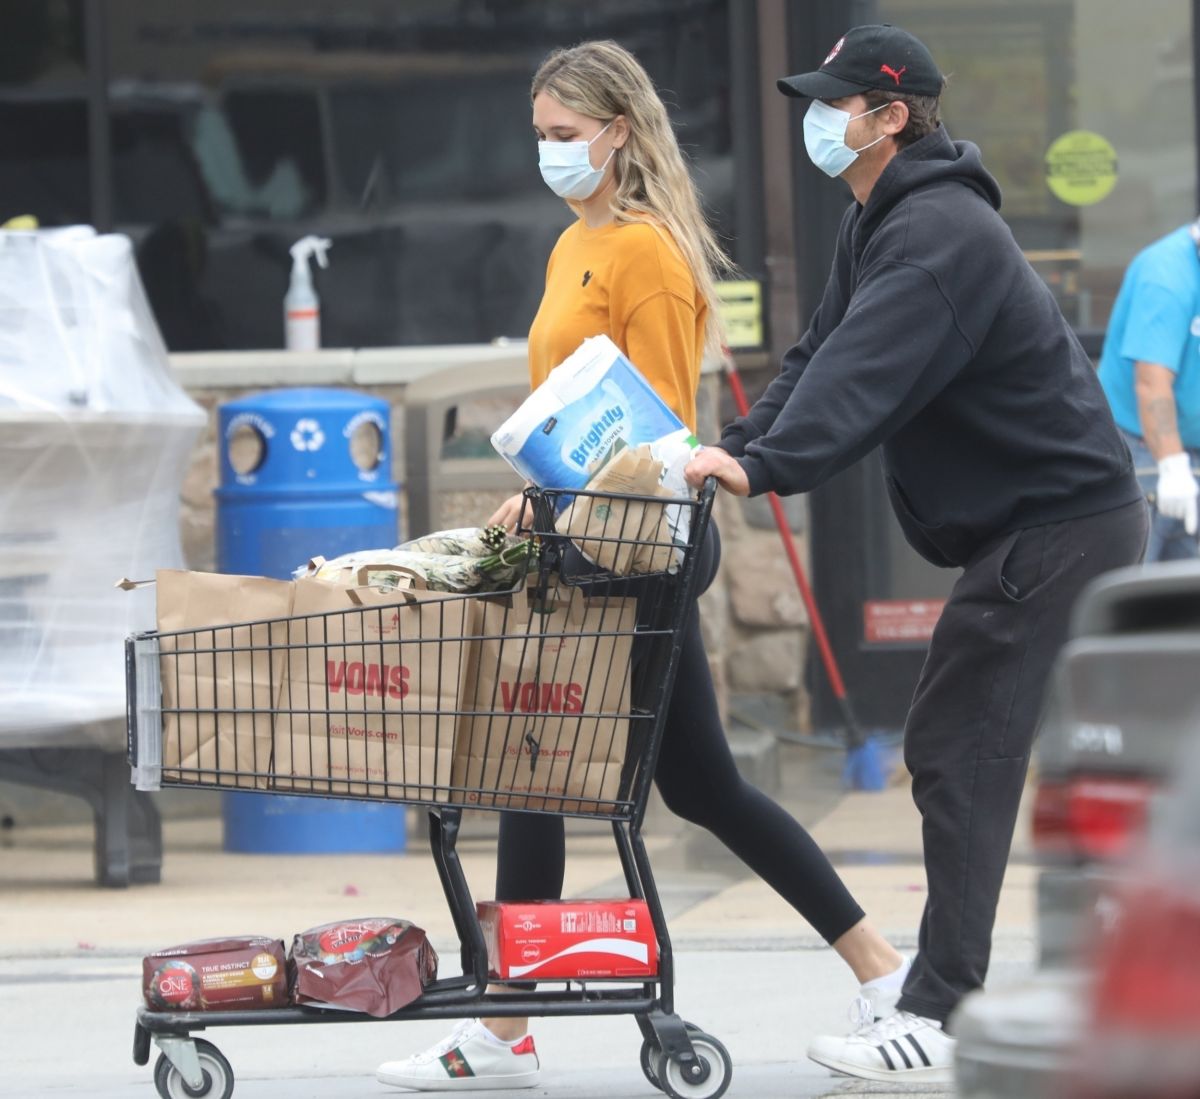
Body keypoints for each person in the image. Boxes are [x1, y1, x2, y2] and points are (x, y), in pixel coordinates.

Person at [377, 38, 908, 1092]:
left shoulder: (650, 257)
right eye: (541, 138)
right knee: (671, 781)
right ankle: (875, 968)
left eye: (566, 137)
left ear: (619, 131)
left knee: (563, 769)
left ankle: (506, 1029)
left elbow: (655, 438)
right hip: (581, 542)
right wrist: (537, 489)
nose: (551, 155)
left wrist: (573, 500)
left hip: (632, 554)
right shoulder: (574, 243)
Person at [685, 22, 1148, 1085]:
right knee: (987, 751)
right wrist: (740, 448)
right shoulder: (881, 221)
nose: (817, 119)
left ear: (891, 117)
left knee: (962, 747)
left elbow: (869, 375)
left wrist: (765, 470)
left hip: (1060, 525)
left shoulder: (939, 232)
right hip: (1036, 526)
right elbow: (819, 355)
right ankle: (993, 989)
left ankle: (940, 1009)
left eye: (835, 103)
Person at [1097, 221, 1200, 561]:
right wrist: (1171, 466)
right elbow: (1152, 383)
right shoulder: (1166, 277)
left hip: (1192, 451)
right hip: (1142, 451)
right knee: (1136, 576)